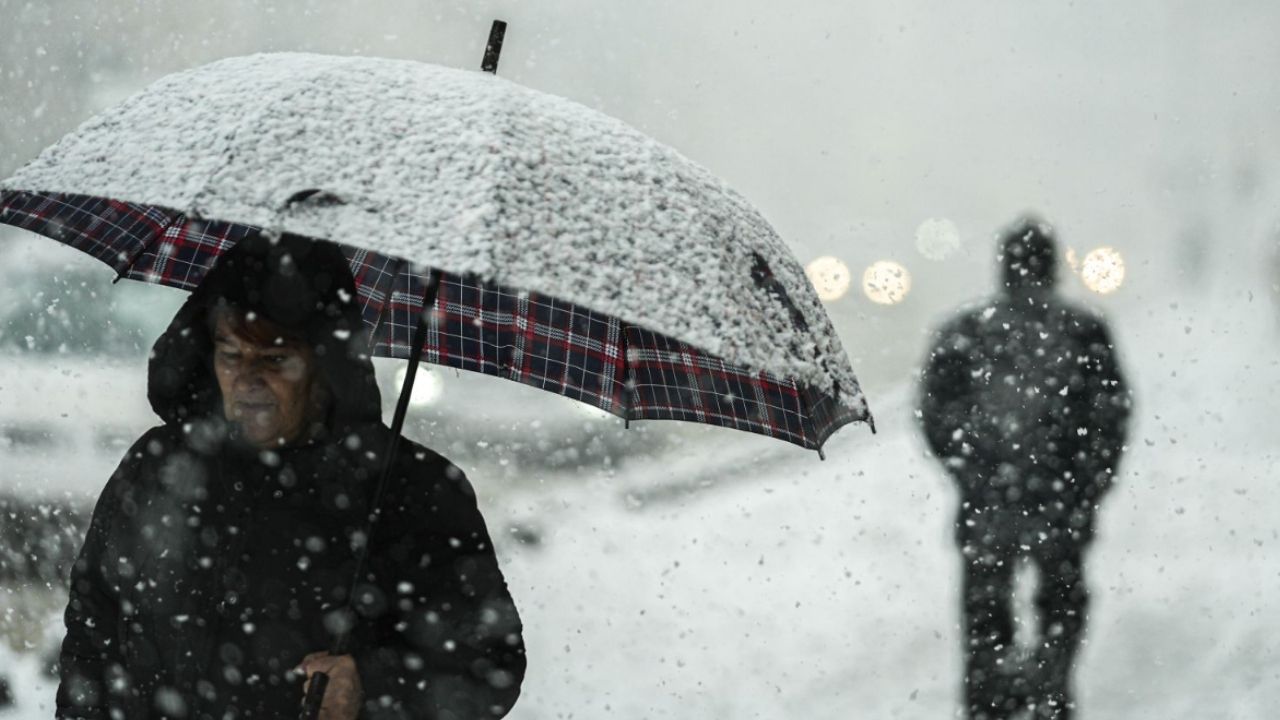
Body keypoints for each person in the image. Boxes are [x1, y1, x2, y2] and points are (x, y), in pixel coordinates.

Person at [56, 234, 525, 720]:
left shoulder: (410, 488)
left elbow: (489, 664)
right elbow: (93, 627)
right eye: (231, 355)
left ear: (325, 364)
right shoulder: (158, 465)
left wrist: (372, 685)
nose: (248, 380)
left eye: (275, 359)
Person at [918, 216, 1131, 720]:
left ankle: (990, 697)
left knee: (986, 608)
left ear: (1004, 268)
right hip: (1060, 501)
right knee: (1061, 602)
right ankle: (1050, 688)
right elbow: (1109, 417)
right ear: (1053, 267)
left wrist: (970, 470)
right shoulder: (1083, 330)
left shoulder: (965, 330)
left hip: (989, 501)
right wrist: (1087, 485)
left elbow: (936, 412)